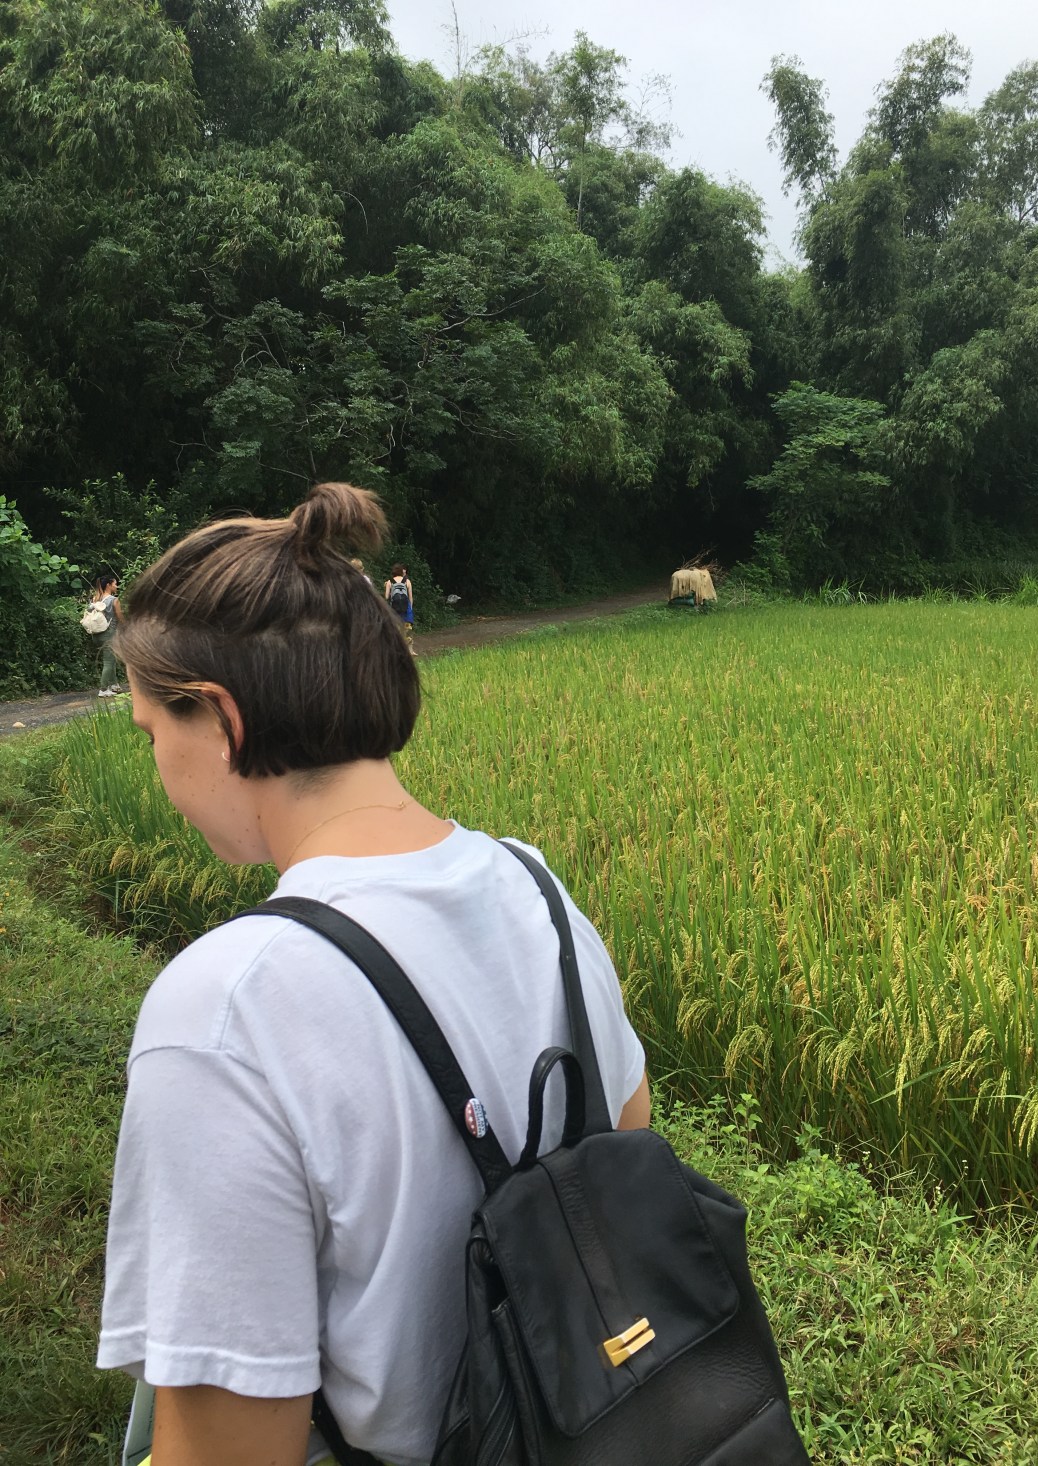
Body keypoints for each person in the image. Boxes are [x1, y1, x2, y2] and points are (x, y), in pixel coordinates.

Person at [97, 481, 649, 1466]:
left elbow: (232, 1452)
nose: (159, 769)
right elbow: (627, 1142)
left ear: (220, 721)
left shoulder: (224, 1008)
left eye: (152, 734)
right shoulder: (534, 886)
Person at [88, 573, 124, 698]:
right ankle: (103, 689)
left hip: (97, 634)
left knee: (111, 659)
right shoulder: (114, 600)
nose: (116, 586)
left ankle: (114, 685)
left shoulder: (96, 599)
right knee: (108, 661)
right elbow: (120, 617)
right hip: (109, 634)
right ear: (108, 585)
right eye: (115, 584)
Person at [382, 563, 414, 649]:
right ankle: (409, 650)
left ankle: (396, 647)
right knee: (407, 629)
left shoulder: (389, 581)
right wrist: (410, 608)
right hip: (406, 608)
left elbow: (386, 597)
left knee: (396, 628)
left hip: (394, 608)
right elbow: (410, 597)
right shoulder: (407, 581)